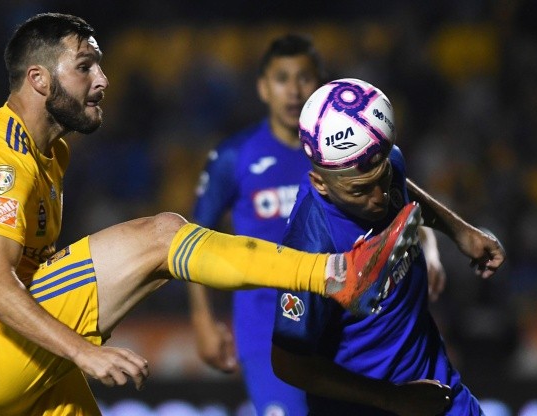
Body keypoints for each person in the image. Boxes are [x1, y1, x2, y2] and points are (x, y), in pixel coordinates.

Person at [0, 14, 431, 415]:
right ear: (39, 79)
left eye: (100, 64)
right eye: (85, 66)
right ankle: (336, 274)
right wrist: (84, 352)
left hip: (1, 372)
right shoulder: (0, 163)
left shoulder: (49, 152)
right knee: (164, 236)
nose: (103, 79)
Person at [189, 35, 448, 416]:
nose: (294, 90)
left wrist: (430, 247)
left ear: (321, 85)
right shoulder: (234, 157)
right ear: (263, 87)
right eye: (282, 78)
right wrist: (202, 319)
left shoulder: (350, 153)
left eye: (304, 78)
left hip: (349, 328)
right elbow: (196, 240)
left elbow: (394, 204)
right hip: (268, 330)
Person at [271, 79, 507, 415]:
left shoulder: (380, 163)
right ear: (319, 183)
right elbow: (287, 364)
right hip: (366, 408)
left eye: (382, 177)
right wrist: (391, 400)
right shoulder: (311, 248)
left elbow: (399, 184)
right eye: (360, 191)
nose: (380, 198)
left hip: (438, 390)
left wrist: (459, 231)